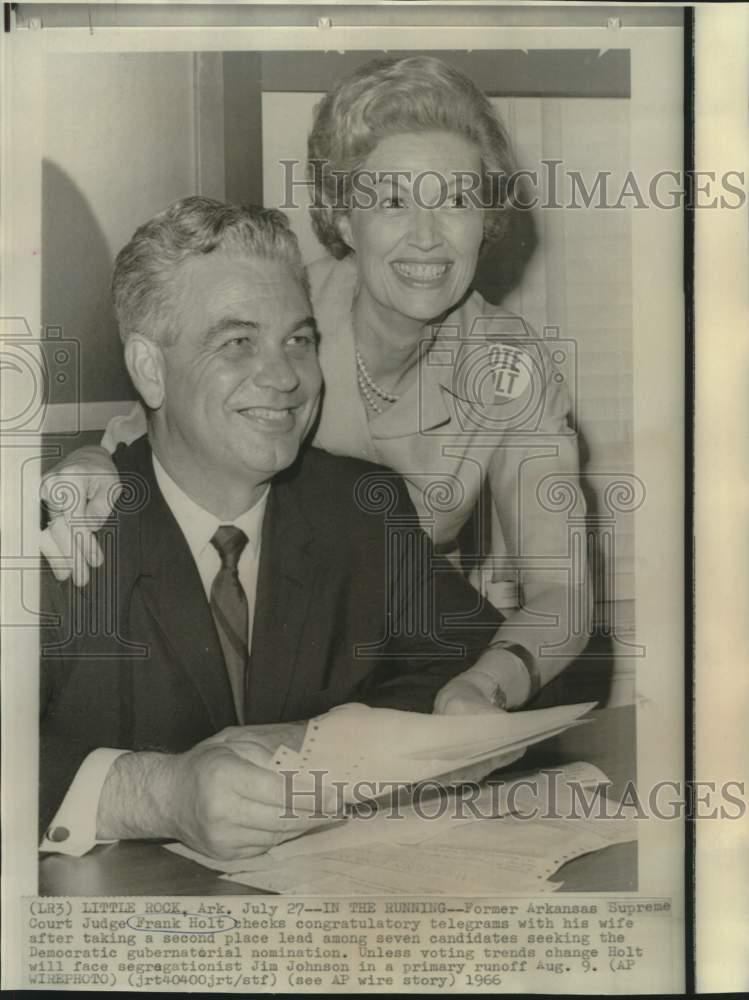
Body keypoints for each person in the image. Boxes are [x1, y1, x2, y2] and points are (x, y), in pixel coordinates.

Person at [41, 55, 590, 719]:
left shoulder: (511, 366)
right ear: (341, 217)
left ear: (485, 220)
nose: (426, 237)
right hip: (272, 647)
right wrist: (87, 464)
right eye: (392, 201)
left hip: (412, 660)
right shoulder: (285, 322)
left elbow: (560, 592)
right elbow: (166, 417)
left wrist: (486, 685)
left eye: (455, 201)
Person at [39, 198, 513, 863]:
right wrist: (156, 794)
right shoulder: (64, 526)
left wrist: (340, 736)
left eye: (298, 339)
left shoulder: (358, 506)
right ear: (150, 369)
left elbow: (498, 661)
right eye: (237, 342)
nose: (285, 377)